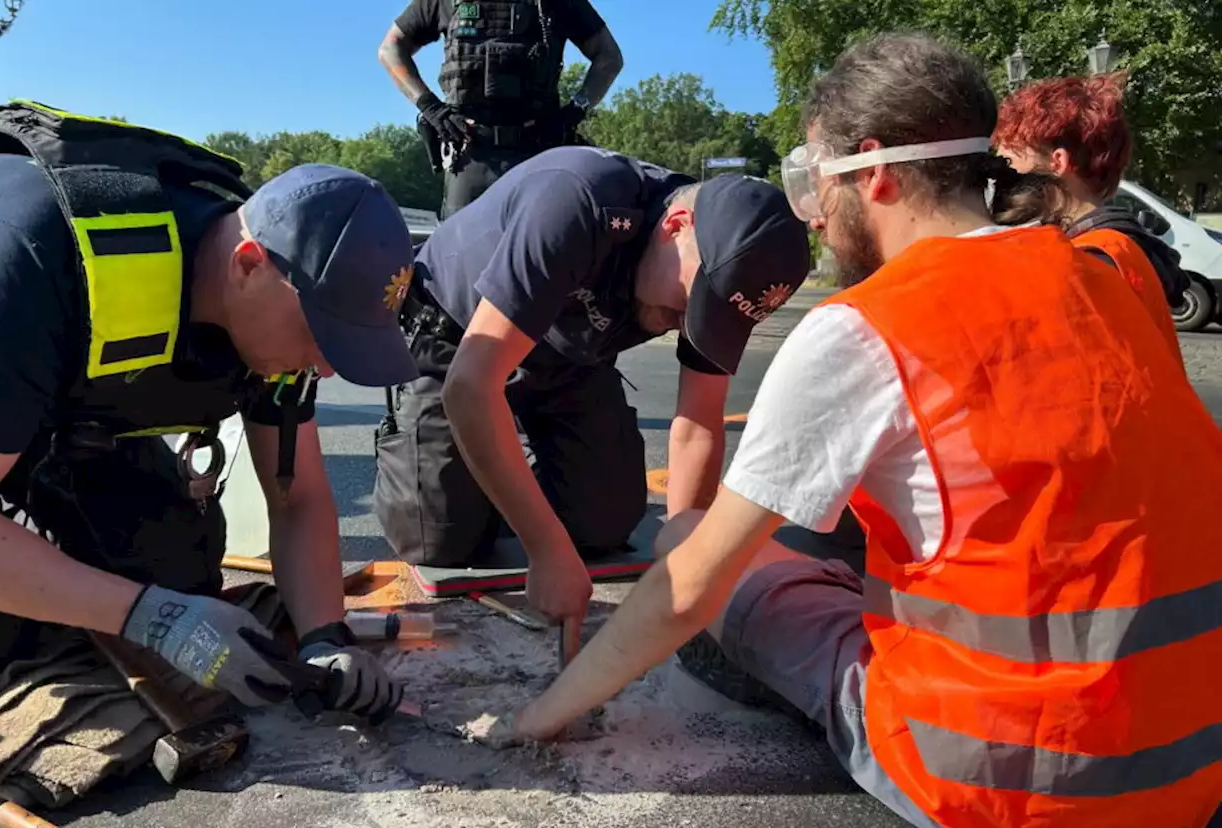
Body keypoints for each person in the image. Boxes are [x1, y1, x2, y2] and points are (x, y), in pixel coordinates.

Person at [501, 34, 1222, 828]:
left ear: (872, 170)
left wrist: (539, 717)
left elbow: (688, 590)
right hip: (1193, 762)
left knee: (693, 543)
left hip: (1006, 784)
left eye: (814, 179)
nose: (813, 219)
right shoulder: (1107, 273)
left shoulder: (872, 325)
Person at [0, 102, 419, 721]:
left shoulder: (270, 311)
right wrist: (150, 616)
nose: (327, 368)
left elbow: (296, 495)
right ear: (249, 264)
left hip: (46, 413)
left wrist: (326, 636)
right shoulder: (26, 256)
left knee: (175, 571)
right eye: (321, 337)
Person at [372, 145, 810, 628]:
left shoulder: (728, 276)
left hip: (569, 353)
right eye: (693, 302)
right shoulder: (578, 201)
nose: (689, 321)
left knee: (604, 524)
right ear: (676, 225)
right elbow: (471, 386)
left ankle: (501, 471)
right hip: (460, 339)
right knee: (440, 539)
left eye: (714, 317)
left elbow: (699, 422)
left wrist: (686, 563)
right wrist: (546, 548)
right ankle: (470, 479)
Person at [995, 73, 1188, 359]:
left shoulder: (1091, 261)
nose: (999, 177)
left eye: (1008, 162)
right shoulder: (1124, 246)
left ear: (1057, 161)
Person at [377, 0, 624, 218]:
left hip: (539, 154)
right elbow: (391, 49)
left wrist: (574, 112)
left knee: (541, 260)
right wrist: (431, 107)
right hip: (470, 154)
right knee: (460, 262)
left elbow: (609, 56)